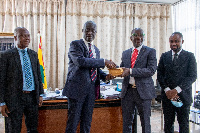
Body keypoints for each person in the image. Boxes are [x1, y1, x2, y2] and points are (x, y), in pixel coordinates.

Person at [62, 21, 116, 133]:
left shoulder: (96, 50)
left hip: (91, 92)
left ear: (96, 33)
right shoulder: (75, 44)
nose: (90, 33)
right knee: (72, 124)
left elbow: (95, 69)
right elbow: (81, 61)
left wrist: (106, 77)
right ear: (82, 30)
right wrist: (104, 61)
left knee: (87, 124)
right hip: (76, 91)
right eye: (87, 30)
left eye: (93, 31)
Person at [0, 27, 44, 133]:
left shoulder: (33, 54)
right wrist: (2, 102)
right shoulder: (6, 55)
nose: (27, 38)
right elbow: (1, 80)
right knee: (14, 129)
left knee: (33, 129)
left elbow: (38, 76)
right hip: (14, 99)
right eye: (23, 36)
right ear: (15, 37)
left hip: (32, 98)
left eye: (28, 36)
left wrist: (40, 94)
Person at [157, 32, 197, 133]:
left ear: (182, 41)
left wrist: (176, 90)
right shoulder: (164, 56)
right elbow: (160, 75)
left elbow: (192, 76)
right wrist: (167, 90)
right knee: (168, 124)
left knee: (183, 125)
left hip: (183, 97)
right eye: (171, 41)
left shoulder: (190, 56)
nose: (174, 44)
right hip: (167, 97)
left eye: (176, 41)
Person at [120, 28, 157, 133]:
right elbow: (122, 69)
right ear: (131, 38)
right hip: (127, 92)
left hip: (144, 92)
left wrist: (131, 71)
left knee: (145, 122)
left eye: (141, 35)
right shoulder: (125, 53)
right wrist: (113, 73)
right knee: (126, 123)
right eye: (136, 35)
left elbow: (151, 70)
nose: (139, 38)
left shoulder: (150, 51)